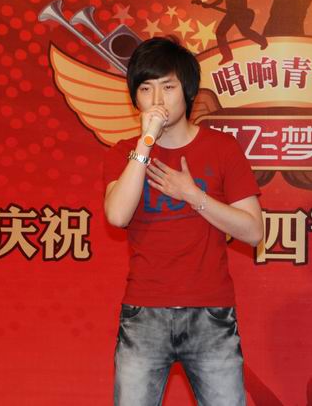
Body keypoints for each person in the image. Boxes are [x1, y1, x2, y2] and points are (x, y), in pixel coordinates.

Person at [103, 36, 264, 406]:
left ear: (188, 91)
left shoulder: (222, 148)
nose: (157, 99)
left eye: (168, 87)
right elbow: (117, 215)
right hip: (144, 314)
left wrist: (193, 195)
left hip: (211, 314)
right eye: (146, 89)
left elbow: (254, 231)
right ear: (135, 98)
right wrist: (145, 143)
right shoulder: (124, 153)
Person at [203, 0, 268, 64]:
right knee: (220, 32)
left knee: (244, 31)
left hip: (239, 12)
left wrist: (240, 10)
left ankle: (262, 41)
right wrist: (209, 5)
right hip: (231, 14)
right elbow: (220, 0)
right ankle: (227, 56)